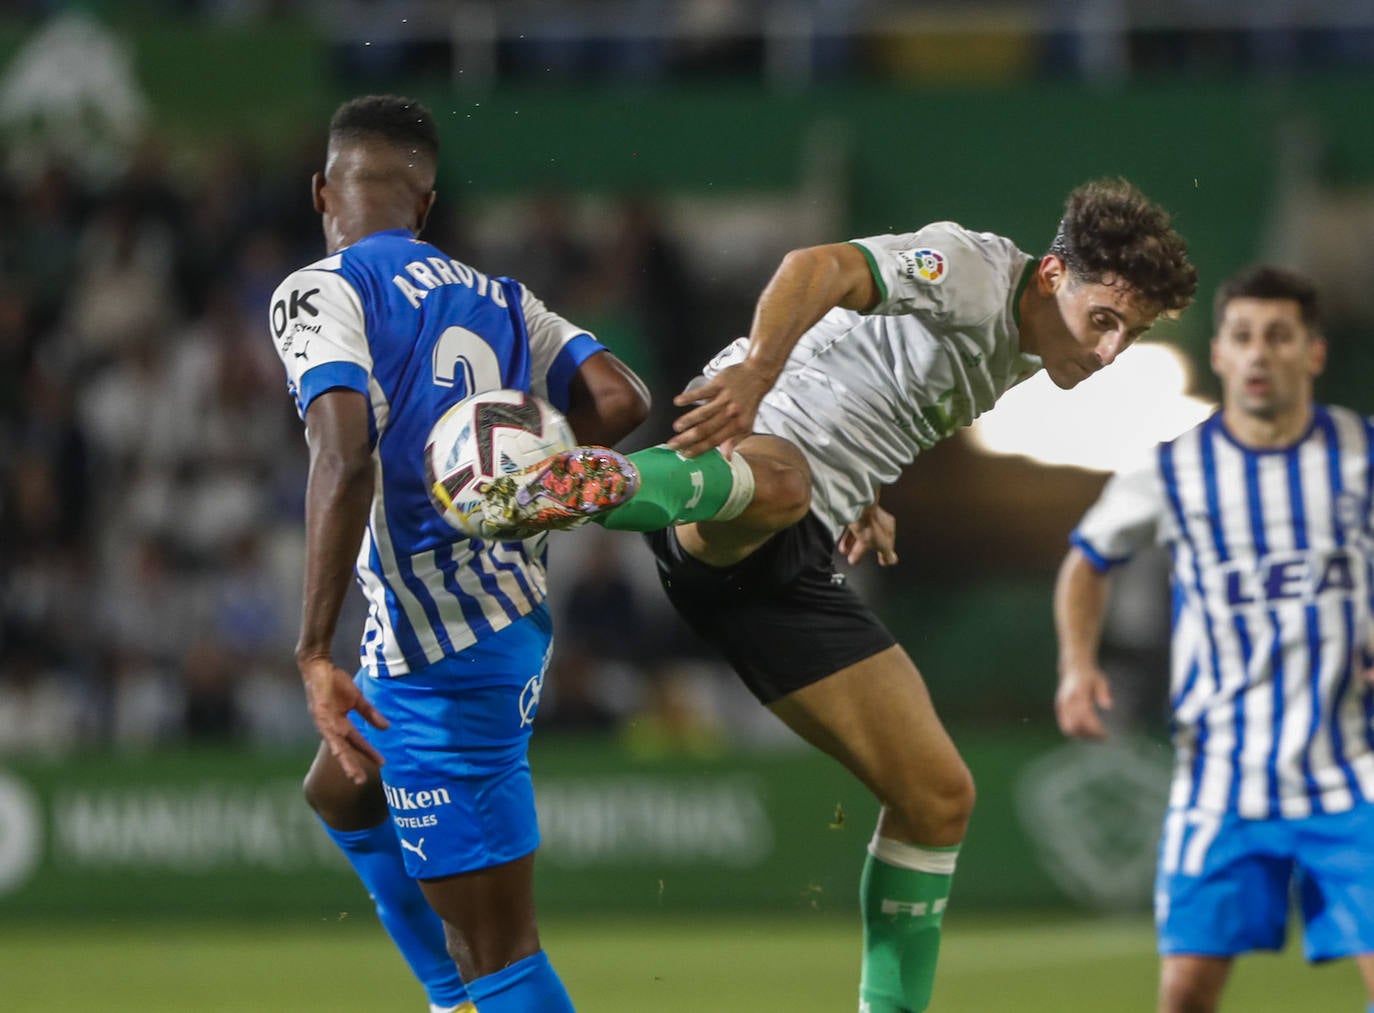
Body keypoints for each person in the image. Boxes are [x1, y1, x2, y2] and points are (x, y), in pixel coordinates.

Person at [479, 178, 1198, 1012]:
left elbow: (871, 378)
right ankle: (567, 484)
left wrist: (862, 489)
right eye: (1104, 319)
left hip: (796, 553)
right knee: (782, 483)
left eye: (1131, 335)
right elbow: (816, 267)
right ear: (1050, 276)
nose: (1112, 350)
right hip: (739, 467)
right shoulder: (972, 270)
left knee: (937, 796)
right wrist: (755, 373)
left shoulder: (1028, 348)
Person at [266, 95, 649, 1013]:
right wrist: (530, 482)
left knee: (500, 946)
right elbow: (623, 398)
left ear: (323, 191)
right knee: (343, 791)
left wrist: (314, 648)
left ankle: (471, 992)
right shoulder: (506, 297)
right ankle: (453, 999)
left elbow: (343, 449)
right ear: (426, 206)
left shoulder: (321, 289)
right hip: (496, 611)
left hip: (445, 647)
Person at [1053, 265, 1374, 1013]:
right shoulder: (1173, 469)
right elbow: (1087, 560)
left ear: (1313, 353)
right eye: (1243, 337)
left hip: (1354, 773)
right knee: (1186, 995)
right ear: (1221, 354)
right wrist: (1076, 664)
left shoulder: (1363, 454)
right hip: (1222, 780)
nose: (1260, 353)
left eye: (1278, 336)